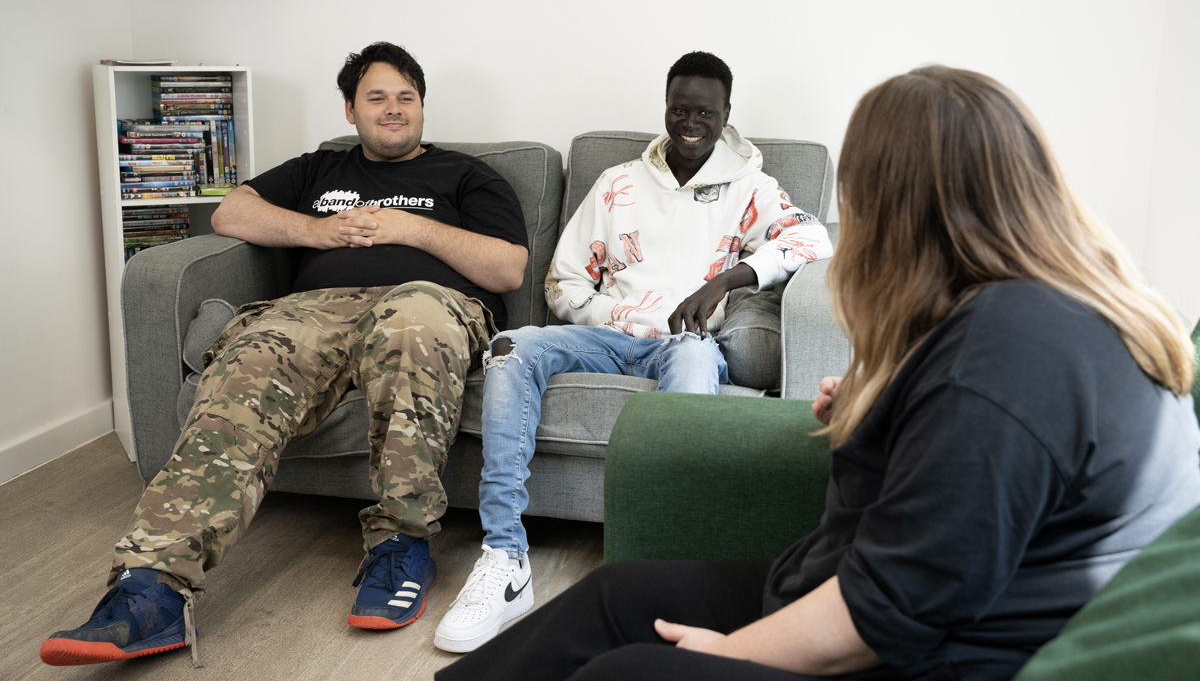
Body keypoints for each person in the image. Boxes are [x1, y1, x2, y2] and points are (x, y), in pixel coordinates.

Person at [434, 65, 1200, 681]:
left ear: (900, 204)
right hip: (872, 591)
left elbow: (891, 610)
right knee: (614, 595)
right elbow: (961, 483)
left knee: (628, 670)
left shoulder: (1007, 355)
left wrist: (728, 654)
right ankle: (502, 563)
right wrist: (884, 415)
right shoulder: (1016, 316)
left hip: (939, 653)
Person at [39, 42, 530, 667]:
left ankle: (401, 546)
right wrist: (318, 230)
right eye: (377, 97)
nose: (393, 109)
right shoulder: (319, 169)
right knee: (249, 362)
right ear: (350, 109)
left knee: (411, 324)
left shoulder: (466, 175)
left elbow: (508, 268)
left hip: (426, 303)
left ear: (422, 107)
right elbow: (231, 212)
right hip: (314, 311)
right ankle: (152, 590)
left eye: (406, 97)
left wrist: (408, 227)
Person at [433, 52, 833, 653]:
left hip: (686, 342)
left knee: (694, 359)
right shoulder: (617, 183)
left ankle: (673, 570)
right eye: (680, 109)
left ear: (727, 114)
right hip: (608, 336)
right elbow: (563, 283)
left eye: (705, 112)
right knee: (509, 347)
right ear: (665, 108)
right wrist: (621, 317)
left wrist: (725, 282)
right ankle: (504, 558)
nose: (691, 123)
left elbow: (813, 239)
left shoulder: (752, 187)